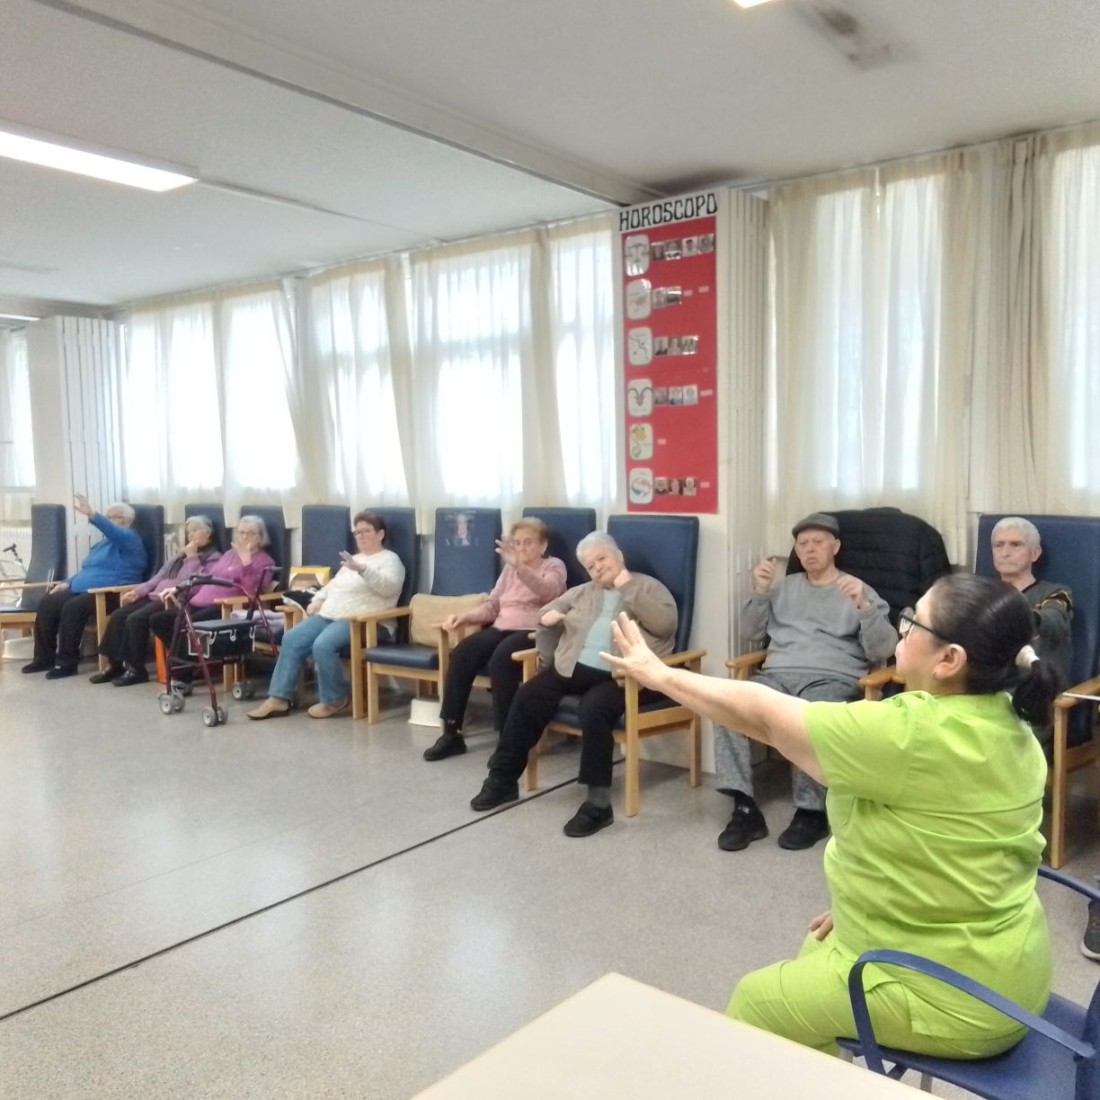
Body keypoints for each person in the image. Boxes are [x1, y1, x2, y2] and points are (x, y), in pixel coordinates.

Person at [603, 573, 1061, 1059]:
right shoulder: (1010, 720)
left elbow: (765, 717)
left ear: (949, 660)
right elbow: (955, 850)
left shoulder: (912, 734)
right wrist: (860, 903)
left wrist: (659, 674)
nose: (902, 628)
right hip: (1007, 965)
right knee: (815, 949)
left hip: (957, 998)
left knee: (756, 1002)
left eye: (914, 622)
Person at [468, 531, 676, 838]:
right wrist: (548, 617)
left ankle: (598, 804)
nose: (597, 568)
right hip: (570, 668)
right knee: (528, 695)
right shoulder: (581, 592)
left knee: (594, 709)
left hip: (623, 676)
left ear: (618, 556)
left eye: (602, 558)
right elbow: (545, 611)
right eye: (590, 565)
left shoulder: (649, 587)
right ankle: (502, 779)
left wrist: (627, 586)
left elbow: (665, 624)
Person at [714, 513, 896, 853]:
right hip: (777, 674)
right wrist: (760, 591)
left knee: (810, 715)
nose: (810, 549)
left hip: (832, 678)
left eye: (818, 543)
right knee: (728, 707)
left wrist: (864, 606)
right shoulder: (783, 588)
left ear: (835, 547)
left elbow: (883, 649)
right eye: (803, 544)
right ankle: (743, 808)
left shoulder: (857, 589)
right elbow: (750, 632)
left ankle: (811, 812)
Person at [423, 518, 567, 761]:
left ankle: (507, 741)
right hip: (502, 626)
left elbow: (548, 592)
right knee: (462, 653)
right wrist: (466, 617)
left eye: (528, 542)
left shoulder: (554, 566)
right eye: (517, 543)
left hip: (533, 631)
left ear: (543, 545)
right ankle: (452, 732)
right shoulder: (510, 569)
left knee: (502, 659)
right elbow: (493, 605)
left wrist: (520, 567)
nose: (521, 547)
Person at [247, 511, 405, 720]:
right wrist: (318, 599)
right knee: (292, 638)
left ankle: (335, 700)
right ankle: (279, 698)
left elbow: (389, 588)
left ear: (380, 534)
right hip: (330, 615)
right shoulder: (354, 559)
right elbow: (333, 585)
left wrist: (363, 570)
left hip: (364, 621)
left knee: (322, 645)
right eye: (357, 532)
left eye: (366, 531)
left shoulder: (391, 560)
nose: (360, 536)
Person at [23, 495, 147, 680]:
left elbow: (113, 531)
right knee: (48, 602)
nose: (109, 520)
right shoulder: (100, 545)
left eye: (113, 517)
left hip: (111, 593)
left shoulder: (131, 539)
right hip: (82, 589)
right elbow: (88, 570)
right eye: (108, 516)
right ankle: (43, 658)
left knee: (73, 607)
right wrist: (67, 582)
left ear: (126, 521)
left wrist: (93, 515)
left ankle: (67, 663)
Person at [91, 514, 222, 686]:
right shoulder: (179, 557)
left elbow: (193, 583)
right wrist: (138, 591)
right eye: (189, 532)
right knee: (118, 615)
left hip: (173, 599)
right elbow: (158, 577)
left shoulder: (214, 558)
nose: (191, 535)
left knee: (136, 619)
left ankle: (136, 669)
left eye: (195, 530)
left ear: (208, 533)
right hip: (154, 595)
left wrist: (191, 558)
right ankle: (115, 666)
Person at [148, 515, 275, 675]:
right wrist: (179, 588)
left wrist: (246, 563)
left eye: (251, 533)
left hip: (223, 607)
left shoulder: (265, 561)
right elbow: (207, 576)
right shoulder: (229, 554)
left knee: (183, 624)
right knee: (158, 620)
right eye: (241, 532)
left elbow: (253, 591)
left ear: (261, 537)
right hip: (199, 601)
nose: (244, 537)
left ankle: (184, 674)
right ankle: (194, 662)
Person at [990, 516, 1073, 694]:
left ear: (1035, 553)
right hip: (986, 692)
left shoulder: (1056, 593)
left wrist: (1025, 617)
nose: (1005, 552)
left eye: (1016, 545)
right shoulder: (981, 593)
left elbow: (1055, 620)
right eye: (998, 545)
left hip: (1031, 694)